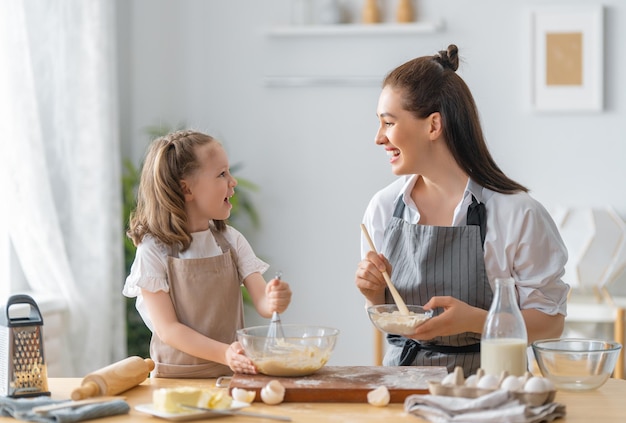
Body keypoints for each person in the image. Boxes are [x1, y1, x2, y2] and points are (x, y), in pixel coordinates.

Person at [354, 44, 569, 376]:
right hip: (402, 387)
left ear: (433, 126)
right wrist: (373, 294)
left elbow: (551, 323)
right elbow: (390, 318)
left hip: (493, 389)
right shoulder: (384, 208)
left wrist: (478, 321)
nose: (378, 138)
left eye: (388, 123)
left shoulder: (517, 214)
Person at [123, 130, 292, 378]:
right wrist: (225, 353)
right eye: (222, 174)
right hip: (174, 382)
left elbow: (264, 305)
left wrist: (275, 300)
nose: (233, 182)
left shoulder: (232, 241)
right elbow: (168, 329)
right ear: (186, 190)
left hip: (230, 376)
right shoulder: (153, 250)